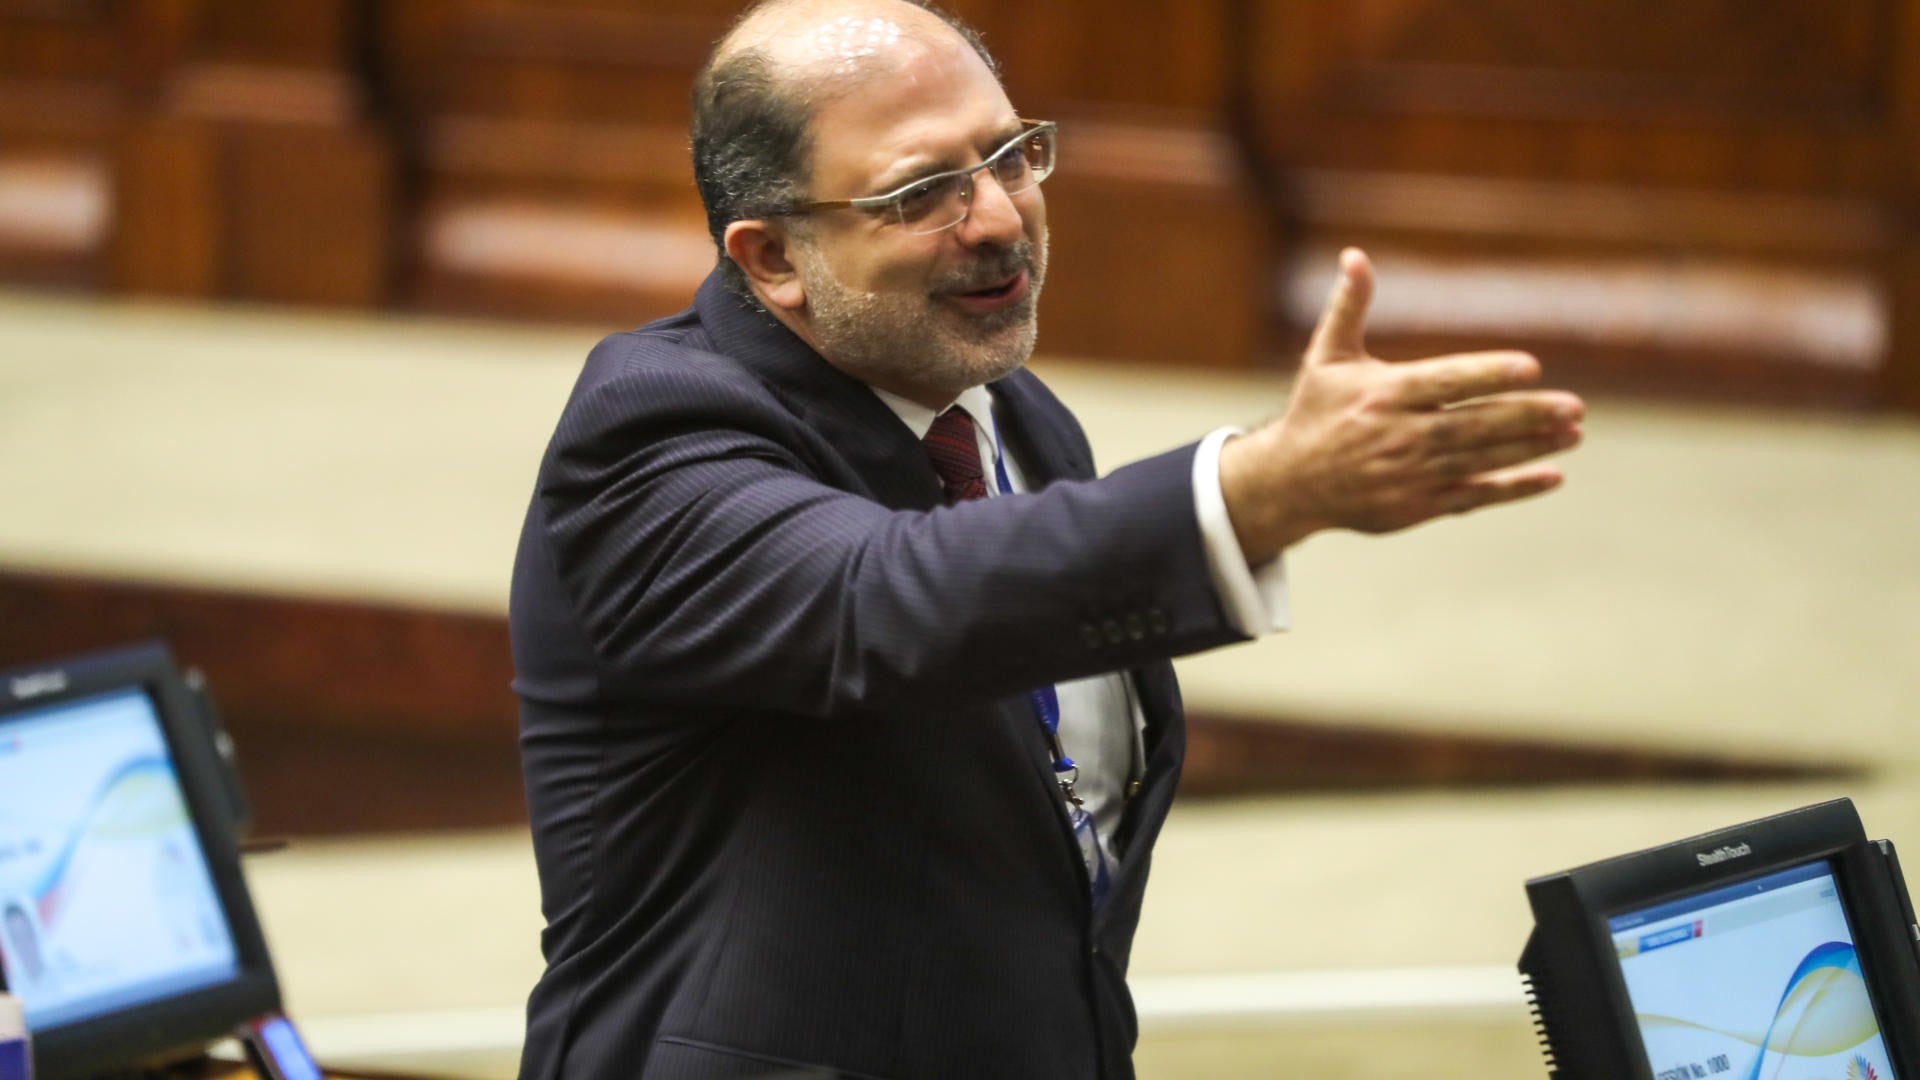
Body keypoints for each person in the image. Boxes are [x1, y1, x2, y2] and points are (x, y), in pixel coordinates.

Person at [507, 1, 1584, 1077]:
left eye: (1012, 155)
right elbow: (877, 601)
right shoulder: (650, 435)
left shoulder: (1012, 415)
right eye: (921, 191)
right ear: (774, 256)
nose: (997, 218)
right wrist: (1254, 492)